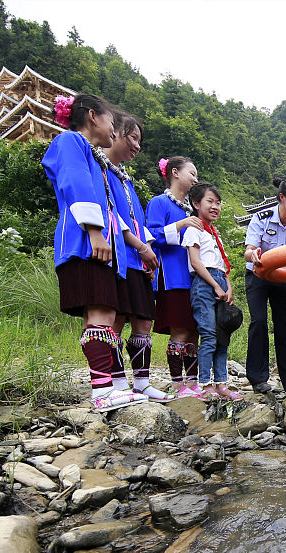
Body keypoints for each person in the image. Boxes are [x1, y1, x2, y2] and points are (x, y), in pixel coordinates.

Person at [41, 93, 146, 412]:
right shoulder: (70, 141)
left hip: (98, 243)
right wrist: (95, 231)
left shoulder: (93, 156)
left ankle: (105, 387)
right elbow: (76, 185)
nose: (114, 132)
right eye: (112, 124)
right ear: (92, 116)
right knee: (101, 314)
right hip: (84, 242)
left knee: (105, 314)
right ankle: (102, 391)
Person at [104, 112, 174, 402]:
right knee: (116, 318)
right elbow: (111, 216)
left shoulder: (126, 179)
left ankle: (142, 381)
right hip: (119, 255)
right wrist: (140, 247)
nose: (137, 146)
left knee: (143, 319)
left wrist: (146, 253)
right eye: (133, 138)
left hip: (138, 259)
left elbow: (137, 221)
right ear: (115, 133)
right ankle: (117, 381)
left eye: (139, 141)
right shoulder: (101, 170)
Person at [243, 176, 286, 397]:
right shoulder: (261, 218)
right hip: (257, 275)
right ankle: (258, 379)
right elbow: (249, 250)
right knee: (259, 322)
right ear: (282, 197)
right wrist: (254, 254)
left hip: (282, 278)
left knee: (285, 326)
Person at [145, 156, 204, 398]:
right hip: (172, 275)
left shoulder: (191, 208)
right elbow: (152, 235)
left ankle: (193, 381)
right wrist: (181, 225)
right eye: (192, 173)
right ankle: (177, 382)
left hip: (194, 277)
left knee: (193, 330)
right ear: (175, 172)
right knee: (179, 329)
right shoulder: (159, 202)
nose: (195, 179)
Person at [184, 182, 243, 400]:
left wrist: (229, 287)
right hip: (203, 283)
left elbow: (223, 266)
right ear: (196, 203)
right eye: (210, 201)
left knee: (222, 336)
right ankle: (205, 384)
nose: (215, 206)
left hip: (219, 282)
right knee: (208, 334)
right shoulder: (193, 229)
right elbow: (196, 262)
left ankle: (221, 383)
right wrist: (216, 285)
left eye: (218, 203)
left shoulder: (214, 234)